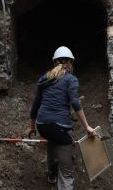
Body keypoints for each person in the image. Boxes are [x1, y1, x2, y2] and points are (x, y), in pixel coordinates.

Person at [28, 47, 96, 189]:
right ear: (71, 63)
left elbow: (35, 104)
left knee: (53, 139)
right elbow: (75, 102)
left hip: (42, 125)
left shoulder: (44, 78)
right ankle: (60, 176)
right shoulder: (71, 79)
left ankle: (52, 174)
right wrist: (87, 126)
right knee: (66, 174)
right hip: (60, 126)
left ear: (54, 63)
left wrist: (32, 126)